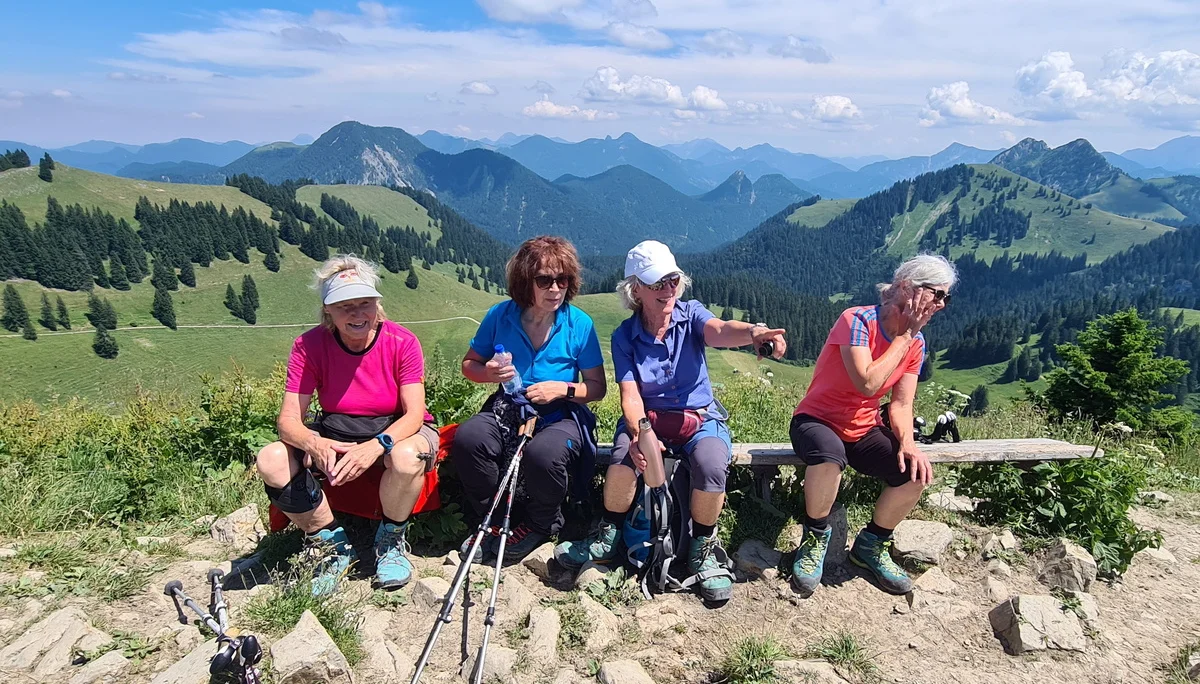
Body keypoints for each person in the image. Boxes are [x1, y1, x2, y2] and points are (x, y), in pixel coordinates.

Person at [555, 240, 787, 603]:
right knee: (622, 459)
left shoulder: (691, 313)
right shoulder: (624, 337)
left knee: (712, 464)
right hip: (648, 420)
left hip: (699, 417)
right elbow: (630, 396)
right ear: (635, 290)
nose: (668, 290)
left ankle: (702, 549)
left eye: (673, 280)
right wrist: (637, 433)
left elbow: (720, 330)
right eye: (657, 283)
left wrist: (754, 332)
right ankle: (609, 533)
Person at [256, 255, 438, 593]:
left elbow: (414, 415)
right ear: (328, 310)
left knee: (407, 456)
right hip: (337, 430)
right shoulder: (308, 347)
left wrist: (376, 445)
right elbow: (288, 421)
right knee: (271, 459)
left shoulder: (402, 342)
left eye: (364, 303)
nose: (357, 314)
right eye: (344, 306)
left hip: (397, 429)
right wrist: (314, 443)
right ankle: (330, 543)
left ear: (377, 303)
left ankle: (391, 539)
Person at [788, 254, 956, 597]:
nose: (940, 304)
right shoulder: (857, 321)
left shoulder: (917, 343)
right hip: (816, 419)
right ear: (906, 288)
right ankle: (816, 538)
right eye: (935, 294)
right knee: (828, 456)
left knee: (914, 472)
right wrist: (906, 335)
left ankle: (871, 545)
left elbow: (901, 402)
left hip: (862, 427)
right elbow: (867, 383)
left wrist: (907, 444)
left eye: (945, 297)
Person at [451, 236, 606, 564]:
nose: (555, 289)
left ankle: (540, 523)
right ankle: (491, 519)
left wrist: (561, 389)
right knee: (469, 438)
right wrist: (490, 373)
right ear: (525, 282)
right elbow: (470, 365)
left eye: (562, 279)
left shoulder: (579, 324)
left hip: (562, 412)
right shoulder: (500, 315)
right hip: (510, 404)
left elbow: (596, 388)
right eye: (545, 280)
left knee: (544, 453)